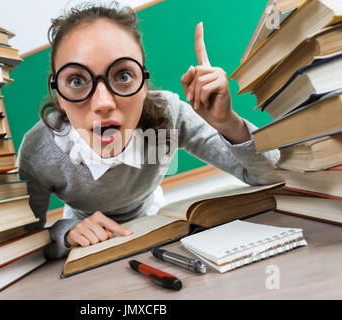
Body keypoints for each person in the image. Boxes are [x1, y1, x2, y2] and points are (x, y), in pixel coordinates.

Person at [17, 2, 283, 259]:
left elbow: (271, 175)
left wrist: (227, 122)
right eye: (76, 80)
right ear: (58, 95)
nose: (103, 103)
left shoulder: (170, 114)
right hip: (84, 242)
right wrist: (65, 233)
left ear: (143, 84)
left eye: (122, 76)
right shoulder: (38, 151)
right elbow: (21, 245)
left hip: (154, 222)